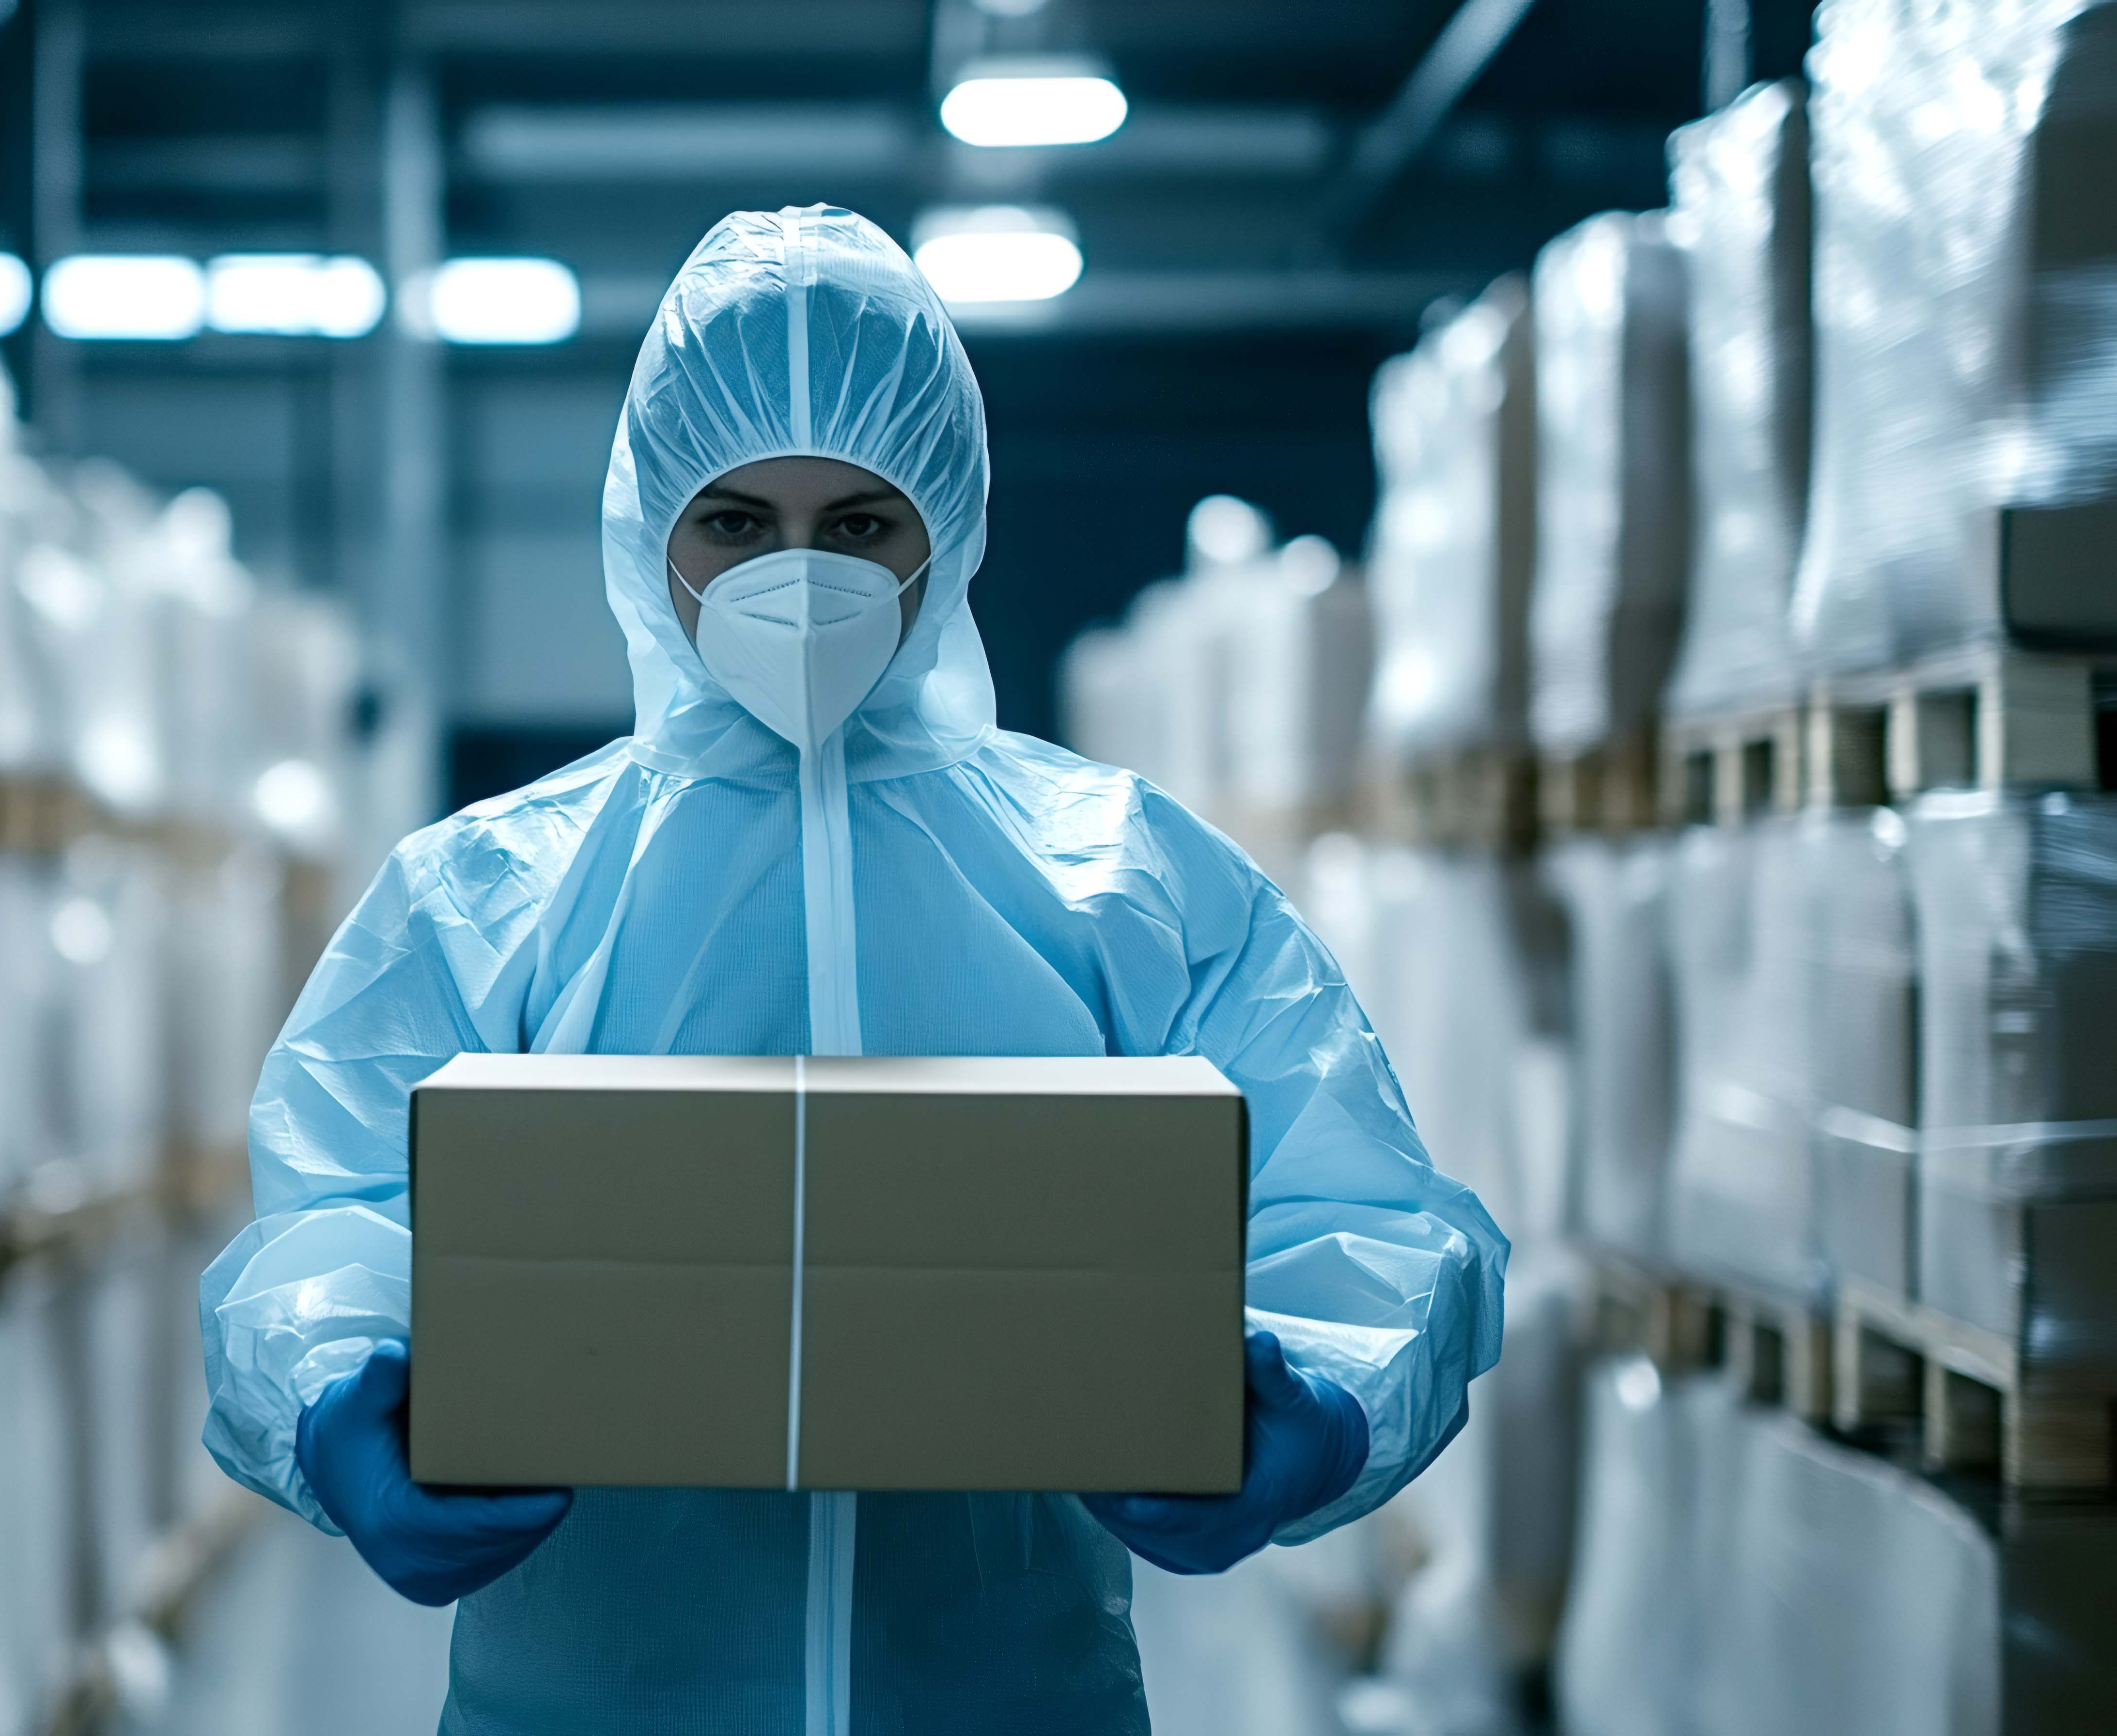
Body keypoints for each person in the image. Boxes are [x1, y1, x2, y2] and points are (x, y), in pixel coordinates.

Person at [201, 205, 1505, 1734]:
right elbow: (330, 1214)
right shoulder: (491, 890)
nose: (800, 579)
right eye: (738, 523)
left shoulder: (1121, 873)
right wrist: (340, 1398)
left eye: (861, 525)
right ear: (651, 531)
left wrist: (1324, 1402)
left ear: (944, 526)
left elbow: (1368, 1204)